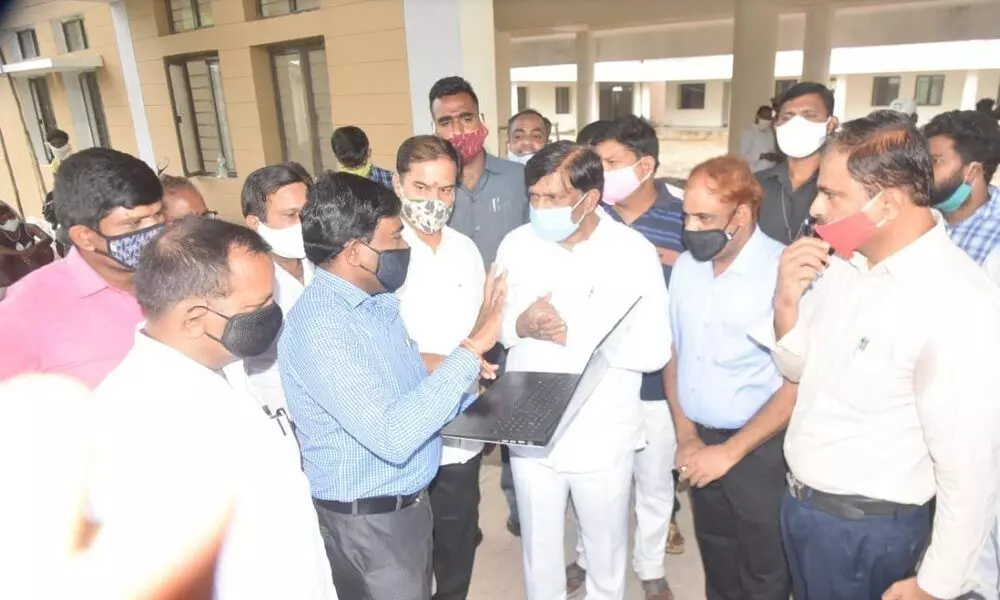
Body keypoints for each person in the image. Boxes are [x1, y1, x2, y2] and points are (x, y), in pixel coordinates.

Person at [753, 110, 1000, 600]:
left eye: (832, 194)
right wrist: (786, 304)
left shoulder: (957, 301)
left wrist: (935, 584)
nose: (817, 208)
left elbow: (971, 467)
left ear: (887, 204)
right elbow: (798, 369)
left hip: (869, 534)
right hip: (805, 510)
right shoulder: (848, 262)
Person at [278, 171, 506, 600]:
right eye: (395, 237)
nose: (405, 247)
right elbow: (392, 435)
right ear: (355, 252)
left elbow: (400, 386)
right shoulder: (324, 327)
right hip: (369, 524)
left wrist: (460, 374)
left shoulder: (375, 303)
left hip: (406, 506)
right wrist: (472, 347)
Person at [89, 218, 338, 600]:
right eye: (258, 305)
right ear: (193, 319)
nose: (274, 313)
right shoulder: (130, 426)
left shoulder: (227, 364)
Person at [495, 141, 671, 600]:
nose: (540, 207)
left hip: (602, 432)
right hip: (531, 424)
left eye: (552, 198)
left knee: (605, 549)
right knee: (539, 548)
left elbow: (654, 349)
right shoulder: (516, 243)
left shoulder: (633, 252)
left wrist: (574, 332)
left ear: (589, 199)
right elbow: (495, 324)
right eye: (534, 196)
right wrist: (521, 323)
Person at [566, 115, 684, 600]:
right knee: (593, 481)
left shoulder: (683, 219)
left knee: (656, 480)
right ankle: (585, 558)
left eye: (610, 164)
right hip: (596, 381)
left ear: (646, 164)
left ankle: (650, 564)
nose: (599, 176)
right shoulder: (585, 219)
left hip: (659, 380)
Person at [668, 156, 794, 600]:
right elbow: (675, 353)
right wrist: (686, 435)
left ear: (741, 214)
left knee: (764, 569)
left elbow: (797, 383)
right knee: (718, 558)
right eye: (687, 215)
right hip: (699, 441)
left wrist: (731, 452)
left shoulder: (785, 273)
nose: (691, 227)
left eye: (705, 217)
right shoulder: (687, 268)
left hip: (759, 449)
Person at [393, 135, 486, 600]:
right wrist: (431, 361)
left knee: (456, 537)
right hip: (402, 430)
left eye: (445, 189)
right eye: (422, 186)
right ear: (397, 183)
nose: (434, 200)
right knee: (407, 550)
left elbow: (478, 328)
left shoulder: (466, 250)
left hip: (459, 427)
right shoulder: (378, 252)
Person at [0, 148, 164, 388]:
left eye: (158, 215)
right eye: (134, 223)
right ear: (85, 236)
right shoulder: (23, 313)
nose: (156, 231)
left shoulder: (189, 274)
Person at [241, 162, 314, 419]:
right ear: (254, 223)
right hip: (279, 410)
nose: (302, 224)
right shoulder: (242, 281)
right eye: (290, 215)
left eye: (306, 214)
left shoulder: (324, 263)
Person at [430, 75, 529, 266]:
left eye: (466, 118)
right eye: (446, 122)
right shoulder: (427, 189)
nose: (458, 130)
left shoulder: (519, 177)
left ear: (482, 120)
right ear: (434, 130)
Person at [923, 110, 1000, 286]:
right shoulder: (919, 217)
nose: (922, 170)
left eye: (935, 161)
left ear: (972, 172)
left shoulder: (995, 239)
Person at [756, 82, 839, 244]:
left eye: (809, 116)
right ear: (776, 126)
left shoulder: (843, 189)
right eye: (787, 117)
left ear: (830, 125)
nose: (796, 124)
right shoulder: (754, 185)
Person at [0, 199, 54, 289]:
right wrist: (20, 253)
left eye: (10, 217)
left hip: (32, 257)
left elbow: (48, 238)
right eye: (4, 220)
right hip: (13, 264)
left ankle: (45, 273)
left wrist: (34, 248)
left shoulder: (29, 227)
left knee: (46, 249)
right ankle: (11, 282)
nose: (9, 221)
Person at [739, 105, 780, 172]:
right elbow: (743, 157)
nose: (767, 120)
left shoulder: (770, 131)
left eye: (769, 118)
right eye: (765, 117)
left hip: (771, 171)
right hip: (755, 172)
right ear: (758, 116)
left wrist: (774, 157)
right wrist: (761, 156)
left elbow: (772, 150)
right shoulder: (749, 131)